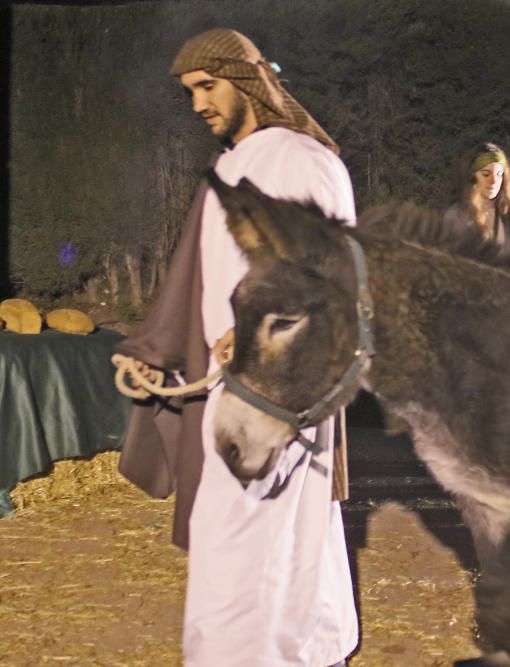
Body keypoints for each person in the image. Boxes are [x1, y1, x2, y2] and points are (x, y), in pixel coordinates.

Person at [114, 28, 357, 666]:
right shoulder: (231, 165)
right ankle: (310, 648)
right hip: (231, 382)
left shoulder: (300, 160)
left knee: (252, 533)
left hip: (276, 384)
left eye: (207, 86)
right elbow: (199, 276)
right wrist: (158, 348)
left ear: (246, 80)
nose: (198, 104)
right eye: (189, 92)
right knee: (267, 532)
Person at [443, 142, 510, 248]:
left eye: (499, 174)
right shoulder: (456, 217)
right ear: (471, 177)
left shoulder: (505, 215)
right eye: (486, 174)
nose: (493, 181)